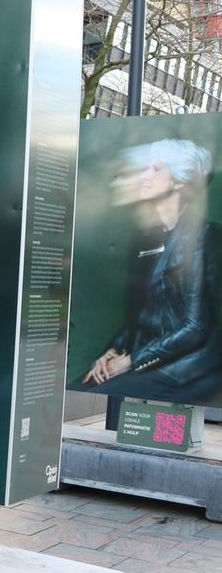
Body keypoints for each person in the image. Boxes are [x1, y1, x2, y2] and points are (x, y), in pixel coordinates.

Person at [81, 139, 222, 402]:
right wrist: (113, 350)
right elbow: (140, 311)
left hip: (186, 368)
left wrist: (131, 361)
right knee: (81, 388)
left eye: (156, 169)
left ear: (179, 182)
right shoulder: (148, 237)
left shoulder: (205, 236)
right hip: (144, 355)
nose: (144, 176)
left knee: (97, 397)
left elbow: (195, 327)